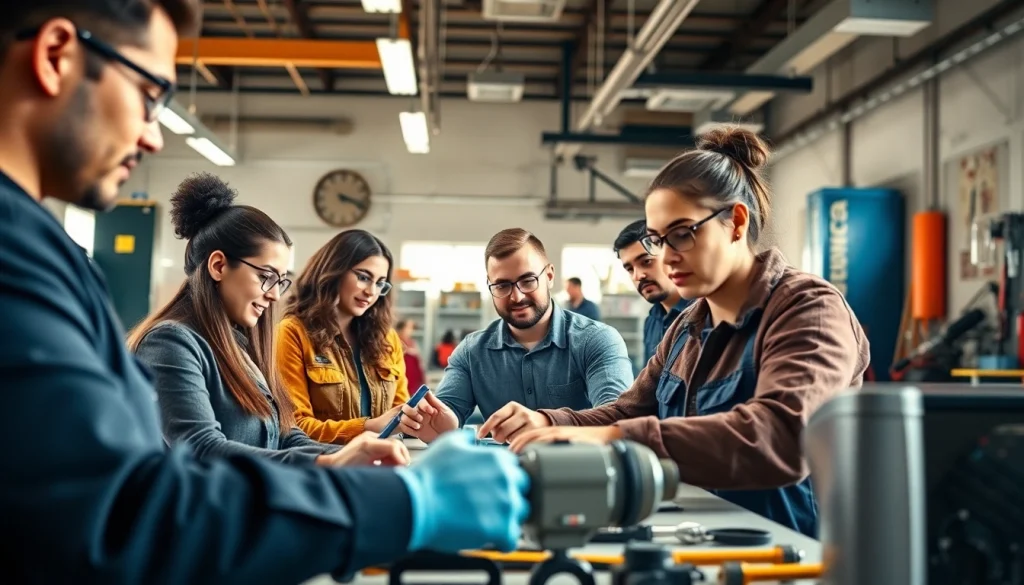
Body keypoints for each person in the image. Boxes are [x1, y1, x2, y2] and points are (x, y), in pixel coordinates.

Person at [0, 2, 528, 583]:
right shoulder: (24, 262)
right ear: (55, 56)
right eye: (150, 95)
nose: (153, 135)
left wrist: (336, 466)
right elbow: (124, 506)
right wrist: (399, 504)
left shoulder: (47, 253)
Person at [504, 127, 871, 538]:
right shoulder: (687, 325)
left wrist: (610, 438)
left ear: (735, 222)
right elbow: (632, 410)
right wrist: (548, 422)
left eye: (682, 234)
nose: (666, 257)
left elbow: (780, 436)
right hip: (708, 532)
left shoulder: (808, 308)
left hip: (796, 547)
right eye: (658, 240)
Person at [128, 173, 371, 466]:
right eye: (266, 277)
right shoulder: (169, 343)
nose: (274, 296)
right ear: (218, 265)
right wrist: (325, 464)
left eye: (281, 281)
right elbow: (201, 449)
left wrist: (354, 455)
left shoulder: (239, 344)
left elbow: (287, 435)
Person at [407, 228, 634, 443]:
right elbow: (448, 411)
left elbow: (617, 419)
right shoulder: (470, 352)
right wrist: (443, 425)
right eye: (502, 285)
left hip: (579, 477)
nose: (516, 297)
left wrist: (548, 421)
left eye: (527, 281)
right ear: (490, 287)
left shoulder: (597, 340)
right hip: (501, 479)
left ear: (550, 276)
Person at [276, 230, 415, 444]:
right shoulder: (292, 333)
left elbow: (401, 413)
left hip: (379, 463)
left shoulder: (388, 339)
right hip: (321, 467)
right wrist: (367, 427)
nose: (371, 291)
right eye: (363, 277)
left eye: (380, 283)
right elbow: (294, 426)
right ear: (333, 271)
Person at [613, 219, 693, 364]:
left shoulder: (705, 314)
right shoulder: (651, 321)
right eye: (630, 269)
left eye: (646, 262)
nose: (638, 276)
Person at [396, 319, 425, 392]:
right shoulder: (396, 340)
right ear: (402, 328)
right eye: (408, 327)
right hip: (402, 376)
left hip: (414, 378)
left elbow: (418, 360)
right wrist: (408, 351)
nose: (410, 330)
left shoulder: (412, 342)